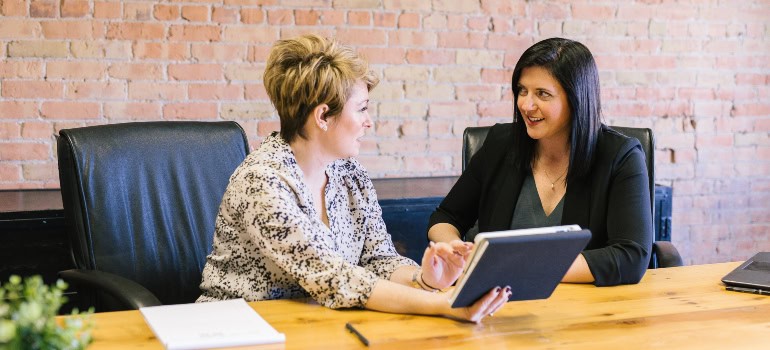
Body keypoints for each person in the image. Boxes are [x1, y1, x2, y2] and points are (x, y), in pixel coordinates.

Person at [197, 34, 509, 322]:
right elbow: (333, 277)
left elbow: (379, 259)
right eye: (361, 109)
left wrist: (425, 279)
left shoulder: (349, 174)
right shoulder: (262, 182)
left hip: (318, 323)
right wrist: (444, 304)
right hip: (237, 328)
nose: (368, 122)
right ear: (322, 116)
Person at [427, 38, 653, 286]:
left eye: (542, 94)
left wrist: (520, 267)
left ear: (576, 98)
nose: (526, 104)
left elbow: (631, 256)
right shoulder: (501, 144)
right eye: (522, 91)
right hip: (498, 303)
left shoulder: (620, 156)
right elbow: (445, 217)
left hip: (584, 307)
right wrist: (455, 250)